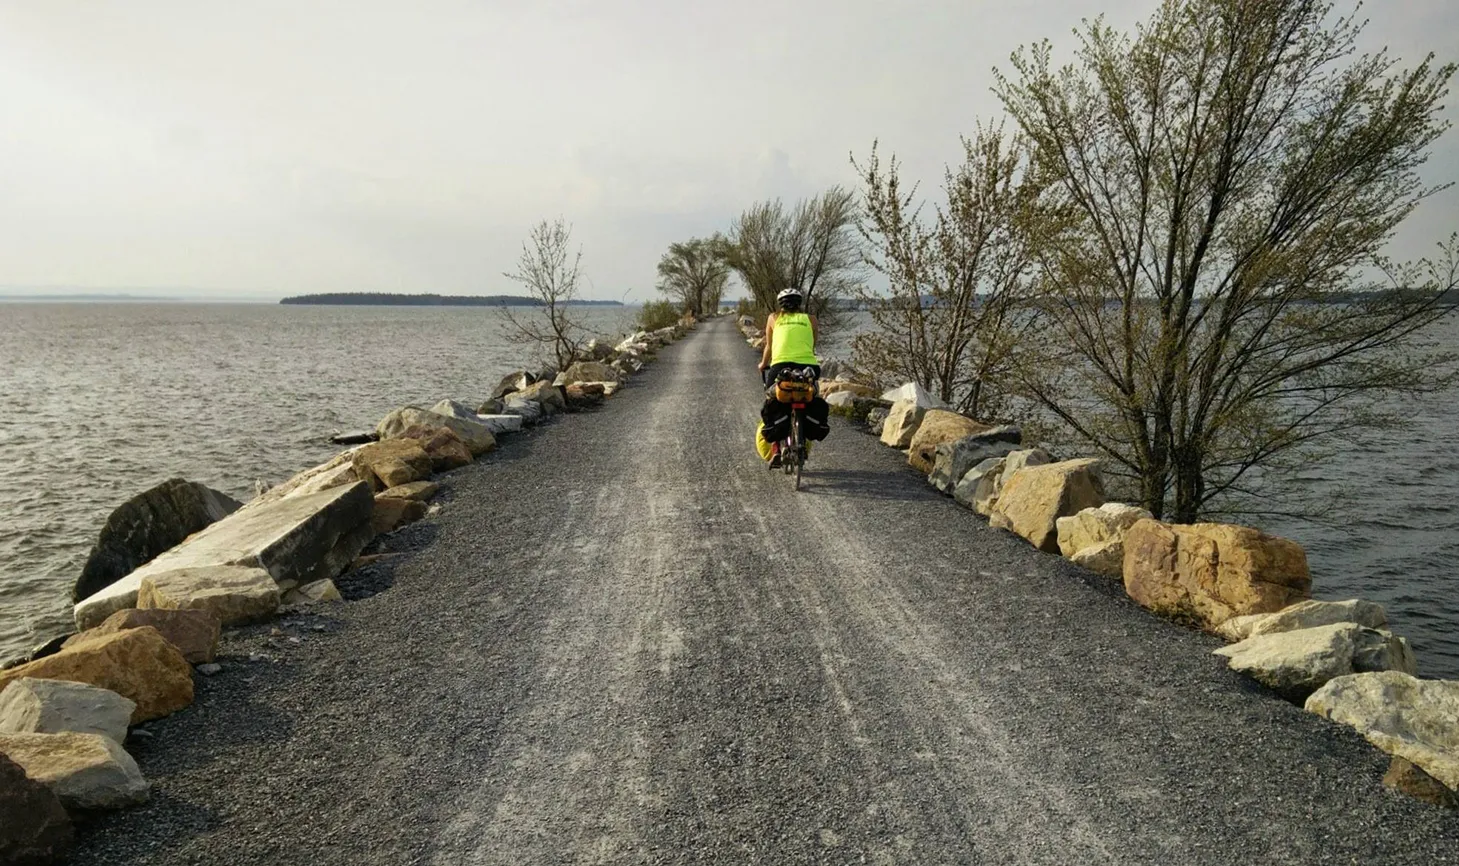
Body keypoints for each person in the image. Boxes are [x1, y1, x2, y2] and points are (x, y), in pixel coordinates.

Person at [756, 288, 830, 467]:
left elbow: (769, 347)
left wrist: (762, 364)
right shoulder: (811, 319)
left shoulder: (774, 318)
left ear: (780, 305)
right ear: (799, 303)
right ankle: (802, 440)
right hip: (808, 365)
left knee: (773, 398)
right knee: (811, 394)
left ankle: (776, 450)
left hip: (780, 366)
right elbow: (812, 344)